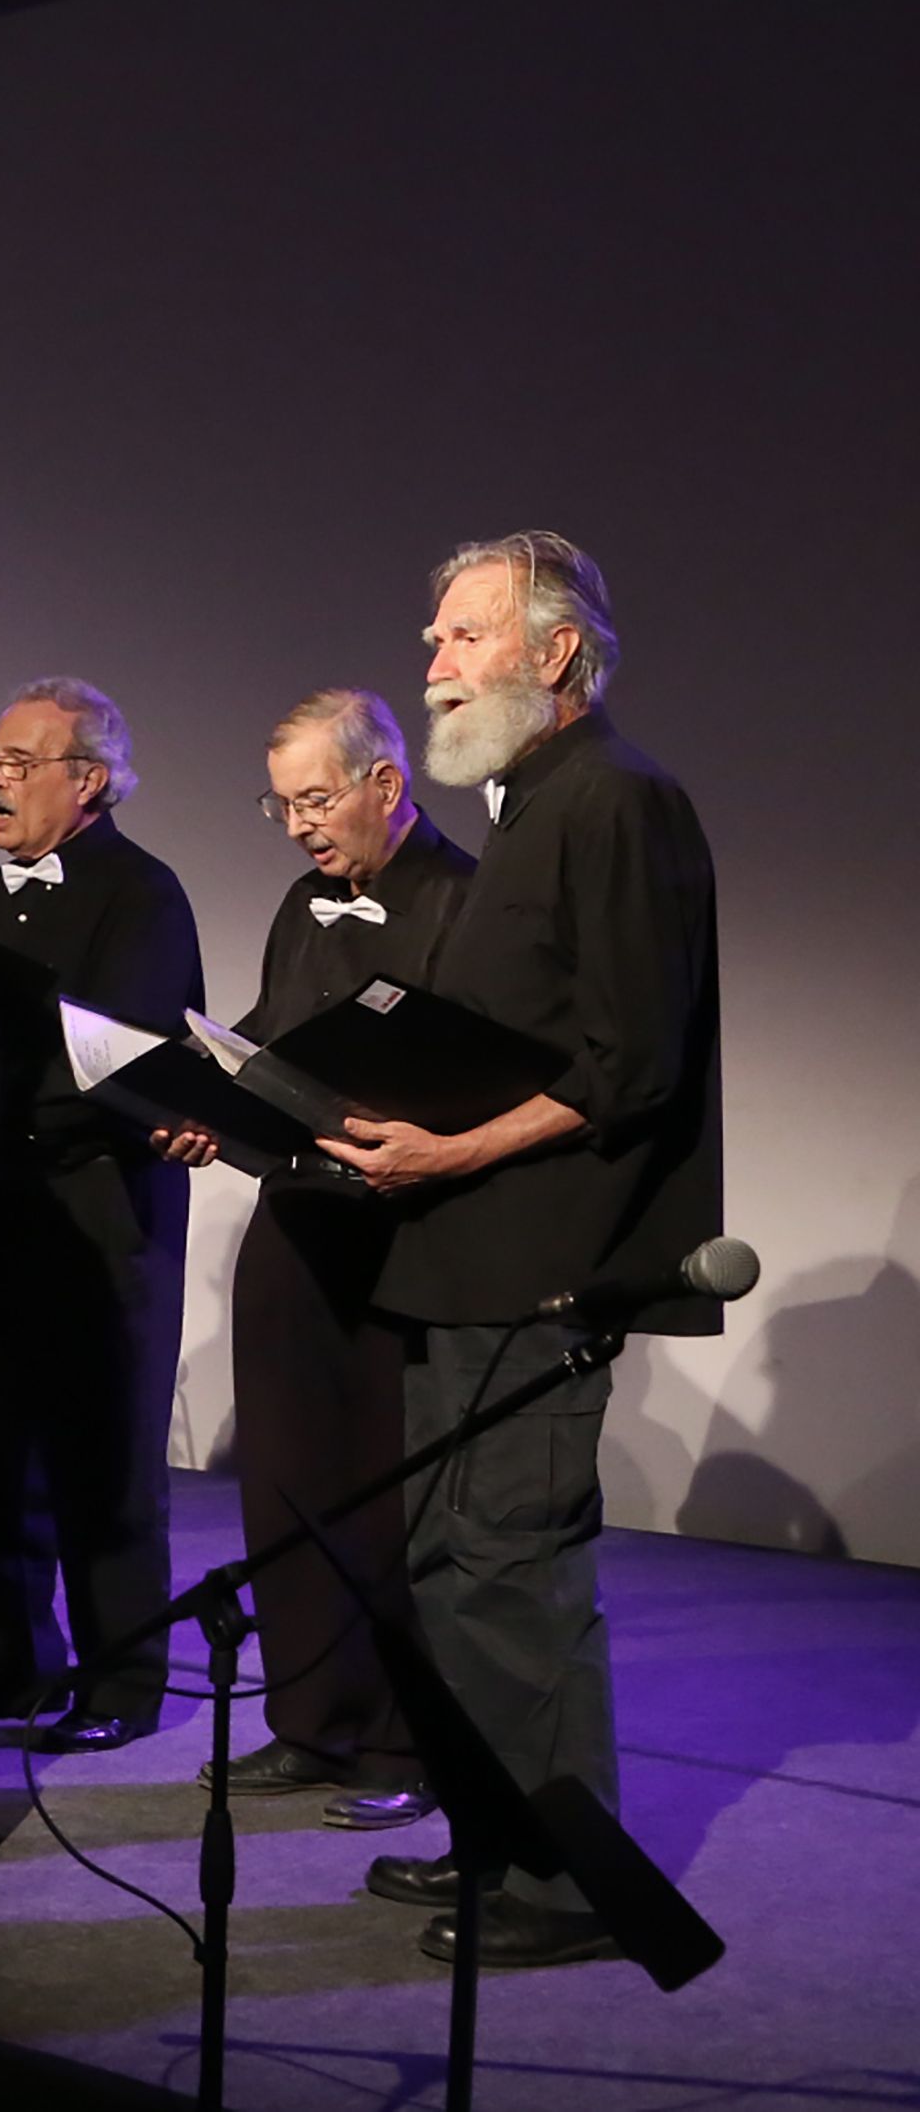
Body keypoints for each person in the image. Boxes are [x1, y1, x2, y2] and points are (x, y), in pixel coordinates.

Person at [337, 534, 719, 1970]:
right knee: (452, 1564)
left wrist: (450, 1149)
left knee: (512, 1567)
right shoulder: (532, 808)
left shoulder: (617, 802)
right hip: (462, 1255)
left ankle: (570, 1885)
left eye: (460, 638)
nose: (430, 665)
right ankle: (500, 1840)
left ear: (551, 653)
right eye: (433, 637)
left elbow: (632, 1062)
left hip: (545, 1260)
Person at [155, 690, 474, 1829]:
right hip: (294, 1218)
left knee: (391, 1494)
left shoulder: (465, 897)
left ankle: (401, 1735)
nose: (295, 824)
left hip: (401, 1233)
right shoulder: (302, 900)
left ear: (384, 782)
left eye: (314, 798)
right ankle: (310, 1720)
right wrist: (203, 1095)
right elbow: (274, 1030)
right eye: (280, 802)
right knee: (287, 1481)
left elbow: (469, 1066)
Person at [0, 677, 203, 1753]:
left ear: (85, 779)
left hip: (99, 1210)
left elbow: (128, 1054)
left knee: (101, 1449)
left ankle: (119, 1678)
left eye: (17, 761)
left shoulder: (141, 892)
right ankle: (6, 1662)